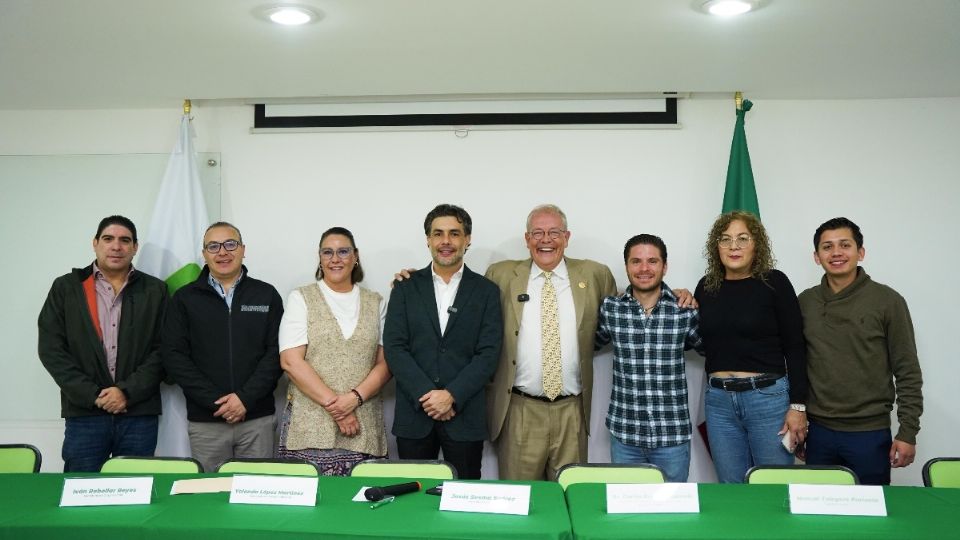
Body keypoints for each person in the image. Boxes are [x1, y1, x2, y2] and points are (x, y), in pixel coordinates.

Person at [484, 204, 617, 481]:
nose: (546, 240)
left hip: (572, 410)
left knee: (570, 497)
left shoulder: (594, 275)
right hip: (520, 410)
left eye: (554, 232)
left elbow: (623, 310)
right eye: (538, 233)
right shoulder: (501, 275)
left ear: (567, 237)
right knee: (520, 500)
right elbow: (468, 297)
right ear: (527, 239)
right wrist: (419, 277)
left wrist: (675, 292)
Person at [798, 217, 922, 485]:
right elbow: (795, 363)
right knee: (816, 515)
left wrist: (908, 432)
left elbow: (907, 370)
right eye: (827, 247)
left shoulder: (887, 301)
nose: (836, 253)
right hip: (818, 432)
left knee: (870, 515)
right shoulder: (805, 302)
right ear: (817, 257)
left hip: (869, 433)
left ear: (860, 252)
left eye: (845, 245)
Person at [38, 215, 167, 472]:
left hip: (138, 414)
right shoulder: (67, 288)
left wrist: (126, 392)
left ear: (135, 247)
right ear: (95, 243)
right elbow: (52, 350)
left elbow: (165, 350)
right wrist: (94, 395)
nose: (116, 246)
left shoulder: (155, 290)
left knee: (134, 496)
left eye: (124, 240)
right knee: (80, 495)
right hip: (85, 413)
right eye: (108, 239)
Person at [383, 204, 502, 479]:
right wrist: (429, 396)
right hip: (415, 415)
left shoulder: (486, 291)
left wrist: (451, 396)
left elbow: (488, 353)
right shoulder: (405, 287)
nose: (445, 241)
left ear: (467, 239)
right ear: (428, 240)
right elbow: (395, 348)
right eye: (438, 234)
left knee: (464, 500)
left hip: (464, 415)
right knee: (413, 501)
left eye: (454, 233)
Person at [694, 210, 808, 483]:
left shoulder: (775, 283)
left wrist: (799, 407)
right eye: (726, 239)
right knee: (731, 489)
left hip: (768, 401)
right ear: (716, 246)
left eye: (743, 238)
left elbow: (795, 346)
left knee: (773, 488)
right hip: (719, 403)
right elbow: (700, 340)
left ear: (756, 244)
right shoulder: (705, 288)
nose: (734, 246)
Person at [162, 222, 283, 473]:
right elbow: (174, 357)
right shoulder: (184, 299)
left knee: (256, 496)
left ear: (243, 249)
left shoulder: (266, 295)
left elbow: (276, 353)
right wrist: (217, 403)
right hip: (207, 422)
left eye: (230, 244)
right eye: (213, 246)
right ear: (204, 254)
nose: (223, 252)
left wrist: (244, 399)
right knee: (209, 498)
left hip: (256, 420)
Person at [276, 227, 392, 475]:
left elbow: (385, 364)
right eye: (327, 252)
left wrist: (353, 399)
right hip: (309, 427)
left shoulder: (376, 302)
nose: (335, 259)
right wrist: (337, 409)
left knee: (363, 509)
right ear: (319, 258)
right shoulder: (301, 298)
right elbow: (290, 362)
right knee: (309, 509)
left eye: (343, 251)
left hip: (364, 428)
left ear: (355, 256)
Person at [595, 234, 701, 482]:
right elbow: (587, 344)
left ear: (664, 266)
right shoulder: (611, 308)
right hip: (625, 435)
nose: (644, 268)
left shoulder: (684, 309)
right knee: (627, 513)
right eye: (636, 261)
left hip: (671, 436)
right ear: (626, 267)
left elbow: (713, 350)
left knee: (672, 513)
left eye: (652, 261)